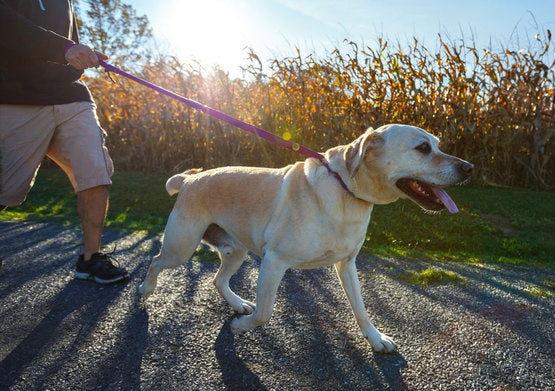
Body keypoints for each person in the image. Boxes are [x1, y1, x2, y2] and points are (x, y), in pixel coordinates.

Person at [0, 0, 127, 284]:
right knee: (6, 187)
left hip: (70, 94)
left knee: (95, 170)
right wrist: (64, 49)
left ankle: (90, 258)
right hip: (14, 94)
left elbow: (68, 40)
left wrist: (80, 56)